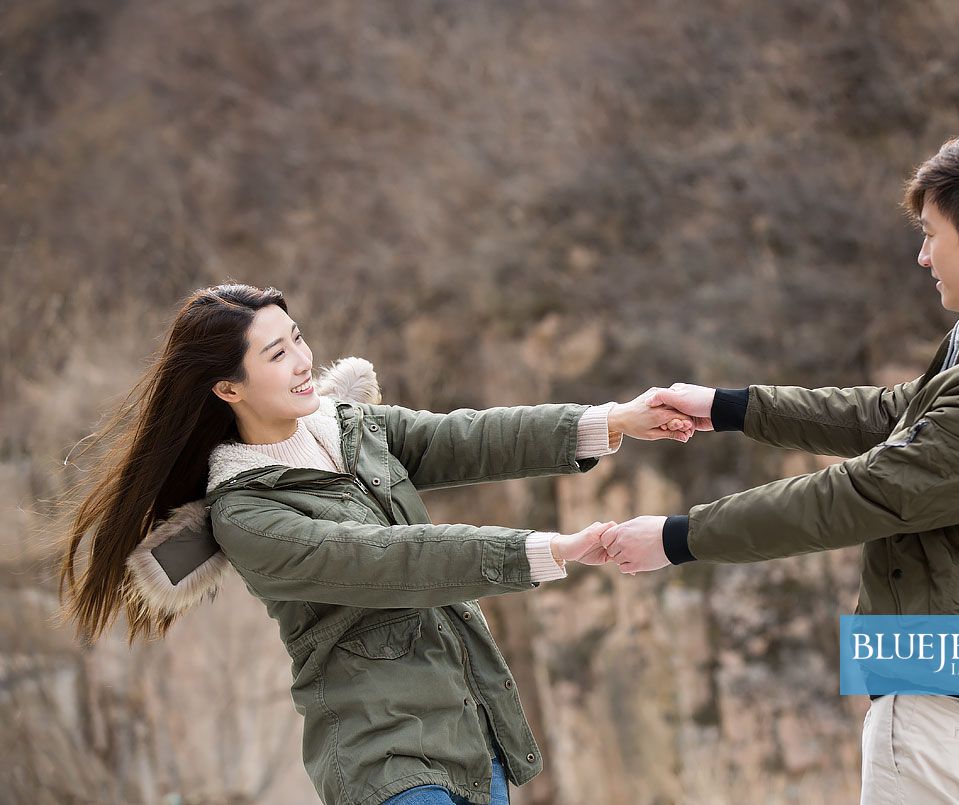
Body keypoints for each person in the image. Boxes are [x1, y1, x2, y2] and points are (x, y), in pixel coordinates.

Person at [599, 128, 959, 803]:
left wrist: (676, 538)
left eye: (932, 234)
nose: (922, 254)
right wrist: (730, 407)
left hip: (941, 711)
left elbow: (851, 496)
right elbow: (892, 415)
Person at [55, 283, 696, 805]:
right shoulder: (247, 515)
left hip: (473, 738)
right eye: (275, 355)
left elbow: (469, 438)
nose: (303, 360)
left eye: (297, 338)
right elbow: (392, 560)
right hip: (384, 760)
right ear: (229, 389)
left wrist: (614, 420)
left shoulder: (352, 430)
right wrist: (551, 550)